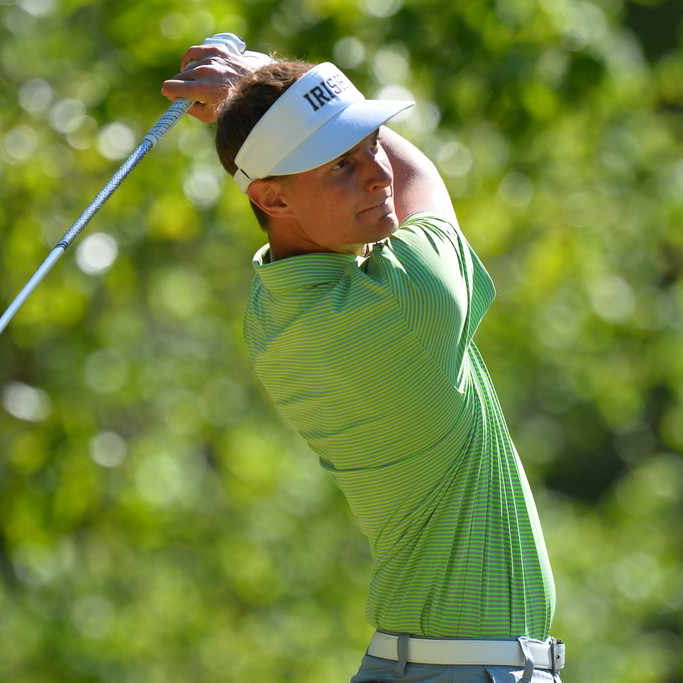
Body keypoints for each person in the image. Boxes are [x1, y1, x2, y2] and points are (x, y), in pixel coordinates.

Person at [161, 40, 565, 683]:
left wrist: (271, 100)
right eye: (340, 166)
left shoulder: (269, 313)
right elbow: (419, 177)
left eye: (373, 142)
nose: (377, 174)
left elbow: (381, 183)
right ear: (272, 199)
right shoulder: (408, 303)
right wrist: (258, 78)